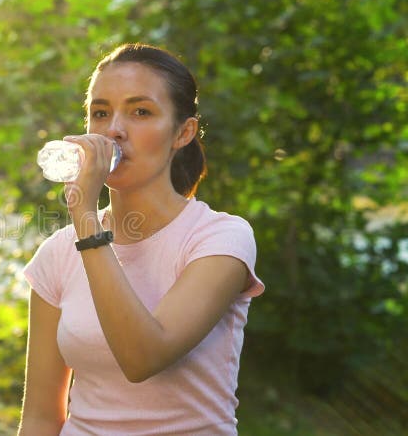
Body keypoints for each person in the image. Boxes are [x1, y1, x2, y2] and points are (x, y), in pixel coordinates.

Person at [19, 43, 265, 435]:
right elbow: (40, 418)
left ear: (183, 132)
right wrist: (85, 224)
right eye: (100, 113)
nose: (114, 129)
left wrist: (85, 218)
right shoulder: (58, 253)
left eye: (140, 112)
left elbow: (143, 357)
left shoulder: (219, 238)